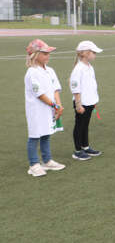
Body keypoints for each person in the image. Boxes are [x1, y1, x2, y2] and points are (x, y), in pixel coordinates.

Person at [24, 39, 66, 177]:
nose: (48, 56)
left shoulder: (50, 70)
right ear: (35, 55)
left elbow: (55, 89)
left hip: (49, 108)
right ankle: (34, 164)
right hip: (36, 110)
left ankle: (47, 161)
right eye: (44, 53)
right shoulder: (32, 72)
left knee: (46, 133)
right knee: (35, 136)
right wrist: (54, 105)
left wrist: (58, 105)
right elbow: (40, 94)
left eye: (48, 53)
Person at [70, 40, 103, 160]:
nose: (95, 55)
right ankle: (77, 150)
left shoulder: (89, 67)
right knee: (79, 126)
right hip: (82, 104)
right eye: (93, 52)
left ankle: (85, 146)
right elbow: (75, 88)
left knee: (85, 125)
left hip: (89, 102)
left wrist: (93, 101)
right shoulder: (79, 69)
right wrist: (78, 105)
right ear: (85, 53)